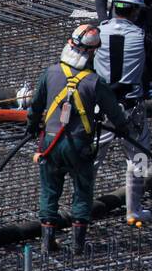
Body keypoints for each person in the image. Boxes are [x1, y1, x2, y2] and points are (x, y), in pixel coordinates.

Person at [26, 24, 130, 252]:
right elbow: (115, 114)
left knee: (50, 189)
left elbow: (35, 106)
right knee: (82, 190)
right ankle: (77, 245)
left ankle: (46, 242)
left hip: (50, 143)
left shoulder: (51, 72)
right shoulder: (95, 82)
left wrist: (32, 127)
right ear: (93, 52)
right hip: (78, 145)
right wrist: (125, 129)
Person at [94, 0, 152, 223]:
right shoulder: (143, 38)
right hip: (131, 110)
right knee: (138, 158)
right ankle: (133, 210)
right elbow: (149, 74)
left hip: (101, 110)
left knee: (92, 159)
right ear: (135, 11)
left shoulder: (96, 34)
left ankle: (80, 209)